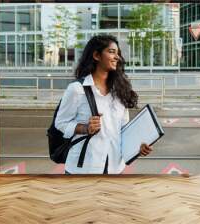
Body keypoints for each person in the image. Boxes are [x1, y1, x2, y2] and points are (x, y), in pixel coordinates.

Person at [55, 35, 152, 174]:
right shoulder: (77, 89)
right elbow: (60, 123)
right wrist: (85, 128)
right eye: (112, 52)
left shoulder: (120, 91)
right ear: (96, 55)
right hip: (83, 169)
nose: (117, 57)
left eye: (118, 53)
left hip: (114, 168)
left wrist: (139, 146)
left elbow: (123, 129)